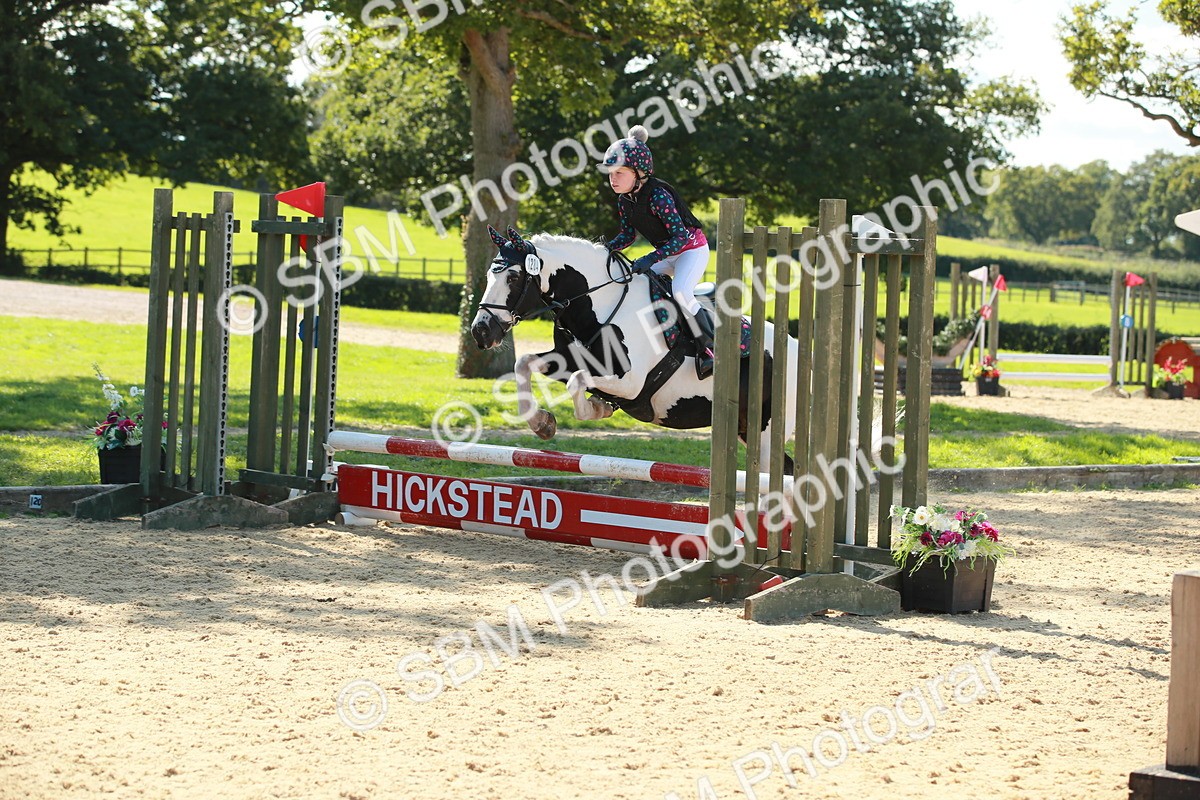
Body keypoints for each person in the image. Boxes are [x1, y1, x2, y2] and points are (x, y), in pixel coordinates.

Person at [599, 125, 714, 379]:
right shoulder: (625, 199)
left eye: (619, 173)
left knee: (681, 293)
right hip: (667, 252)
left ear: (639, 173)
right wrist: (605, 248)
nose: (613, 179)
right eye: (610, 173)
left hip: (691, 250)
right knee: (633, 282)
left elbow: (681, 237)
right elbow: (628, 236)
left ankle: (709, 349)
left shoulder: (658, 196)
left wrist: (650, 258)